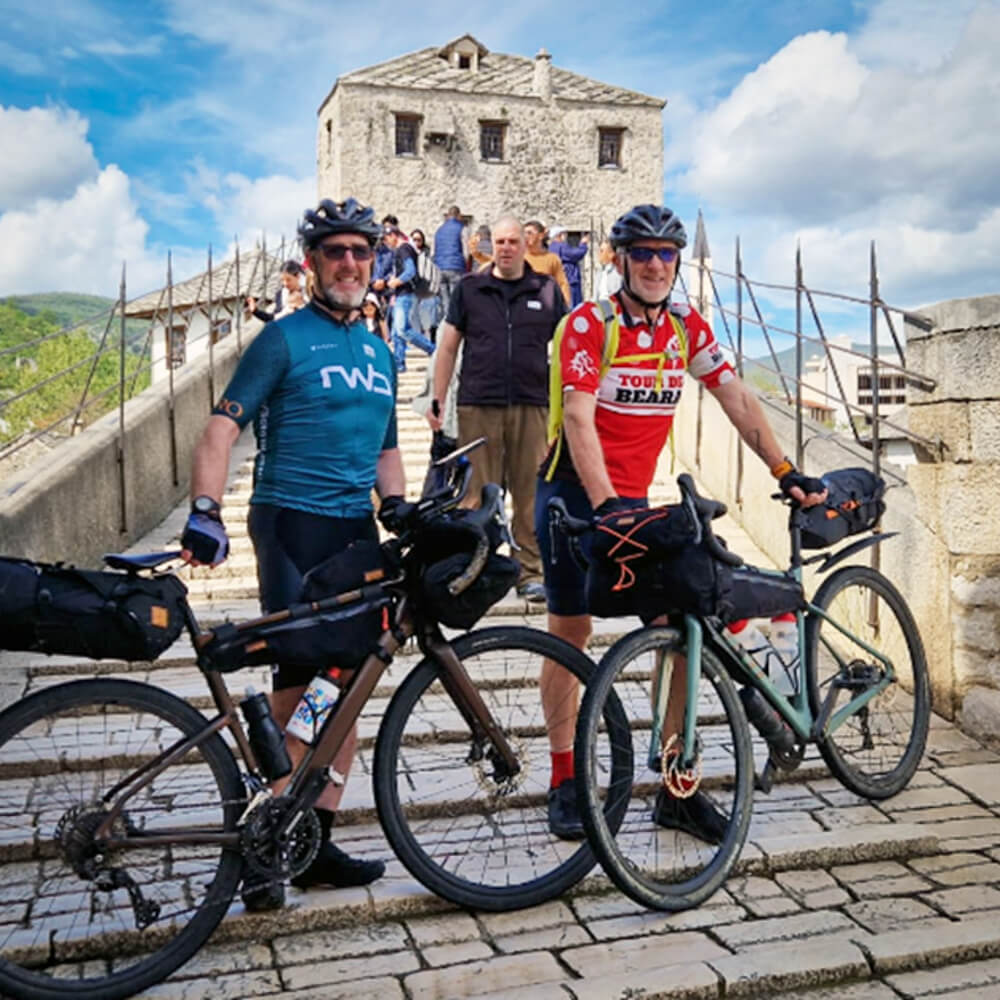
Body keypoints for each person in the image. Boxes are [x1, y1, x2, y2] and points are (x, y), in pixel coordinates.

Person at [534, 204, 827, 841]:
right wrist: (607, 506)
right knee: (570, 634)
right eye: (642, 253)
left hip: (632, 504)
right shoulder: (589, 325)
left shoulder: (685, 328)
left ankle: (676, 786)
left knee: (679, 628)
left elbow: (735, 396)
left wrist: (784, 469)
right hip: (575, 500)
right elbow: (579, 418)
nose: (655, 265)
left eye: (666, 254)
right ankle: (564, 779)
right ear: (619, 260)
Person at [180, 197, 409, 911]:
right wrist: (205, 509)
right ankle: (268, 838)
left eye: (361, 252)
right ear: (311, 263)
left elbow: (387, 448)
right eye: (335, 251)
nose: (349, 263)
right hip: (290, 524)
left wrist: (398, 506)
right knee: (300, 682)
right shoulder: (282, 340)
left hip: (353, 530)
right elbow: (220, 429)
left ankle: (314, 839)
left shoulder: (379, 350)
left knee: (351, 681)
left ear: (373, 262)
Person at [428, 216, 566, 604]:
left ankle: (530, 572)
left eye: (512, 241)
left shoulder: (547, 290)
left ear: (526, 245)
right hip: (478, 402)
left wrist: (569, 405)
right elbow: (448, 346)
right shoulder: (470, 288)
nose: (505, 248)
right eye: (500, 242)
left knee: (529, 491)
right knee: (476, 493)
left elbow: (568, 347)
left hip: (532, 403)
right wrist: (437, 398)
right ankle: (479, 569)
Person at [380, 225, 435, 372]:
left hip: (405, 293)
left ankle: (433, 350)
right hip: (401, 294)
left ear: (393, 235)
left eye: (385, 239)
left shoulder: (403, 249)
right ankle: (399, 364)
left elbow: (410, 271)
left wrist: (396, 281)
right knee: (396, 333)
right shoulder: (404, 249)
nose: (385, 243)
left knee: (403, 330)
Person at [432, 205, 467, 320]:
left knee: (445, 301)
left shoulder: (439, 230)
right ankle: (454, 325)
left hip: (440, 268)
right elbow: (466, 251)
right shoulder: (462, 228)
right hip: (455, 266)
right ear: (459, 215)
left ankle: (446, 323)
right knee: (455, 299)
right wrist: (466, 266)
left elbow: (433, 252)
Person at [524, 220, 571, 306]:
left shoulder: (552, 259)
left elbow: (562, 284)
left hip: (546, 306)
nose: (526, 236)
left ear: (541, 236)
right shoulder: (519, 258)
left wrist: (565, 306)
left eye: (529, 233)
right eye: (524, 233)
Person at [410, 228, 442, 344]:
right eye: (414, 240)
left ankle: (427, 335)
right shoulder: (408, 253)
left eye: (419, 240)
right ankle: (417, 337)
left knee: (428, 306)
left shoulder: (428, 254)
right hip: (413, 286)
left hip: (426, 285)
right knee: (412, 310)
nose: (416, 242)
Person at [548, 225, 590, 307]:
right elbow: (576, 254)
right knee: (573, 307)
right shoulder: (561, 246)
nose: (566, 236)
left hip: (558, 281)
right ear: (559, 235)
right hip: (570, 280)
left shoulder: (551, 247)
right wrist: (583, 244)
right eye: (564, 234)